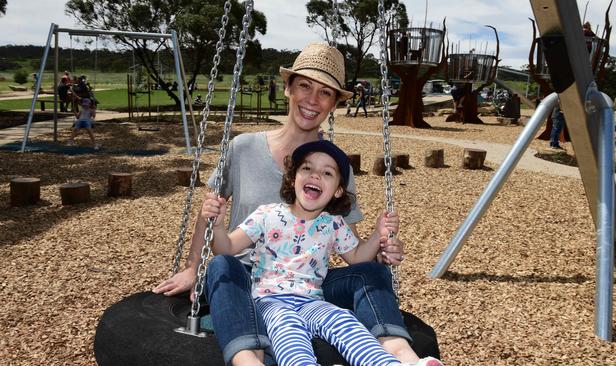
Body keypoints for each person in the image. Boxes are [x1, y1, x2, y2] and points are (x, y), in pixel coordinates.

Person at [153, 43, 423, 366]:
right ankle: (247, 357)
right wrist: (193, 266)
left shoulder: (336, 169)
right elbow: (210, 212)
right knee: (221, 267)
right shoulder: (243, 148)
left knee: (371, 273)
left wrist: (382, 246)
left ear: (334, 103)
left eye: (325, 93)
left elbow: (349, 245)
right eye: (304, 86)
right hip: (244, 280)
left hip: (308, 283)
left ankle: (398, 353)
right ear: (288, 88)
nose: (312, 100)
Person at [205, 140, 441, 366]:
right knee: (289, 333)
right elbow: (226, 249)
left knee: (344, 322)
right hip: (271, 300)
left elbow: (358, 258)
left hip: (312, 300)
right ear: (293, 178)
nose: (315, 175)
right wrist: (217, 226)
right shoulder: (266, 215)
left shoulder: (333, 223)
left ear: (338, 191)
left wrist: (378, 235)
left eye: (327, 173)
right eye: (307, 168)